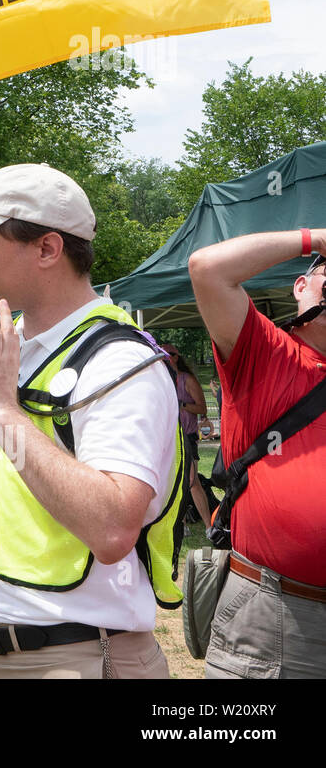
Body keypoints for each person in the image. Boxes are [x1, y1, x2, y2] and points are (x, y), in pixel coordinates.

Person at [0, 164, 182, 678]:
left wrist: (2, 410)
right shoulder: (11, 342)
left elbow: (113, 528)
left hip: (79, 658)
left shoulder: (118, 361)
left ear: (47, 249)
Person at [188, 232, 326, 679]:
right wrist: (317, 238)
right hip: (277, 615)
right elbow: (209, 269)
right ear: (301, 287)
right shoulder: (267, 354)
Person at [159, 344, 211, 526]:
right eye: (161, 355)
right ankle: (179, 523)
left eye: (168, 355)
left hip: (187, 436)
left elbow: (202, 408)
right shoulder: (160, 380)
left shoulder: (186, 379)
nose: (165, 359)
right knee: (171, 481)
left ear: (176, 357)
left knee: (191, 481)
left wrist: (181, 405)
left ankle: (208, 526)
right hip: (167, 436)